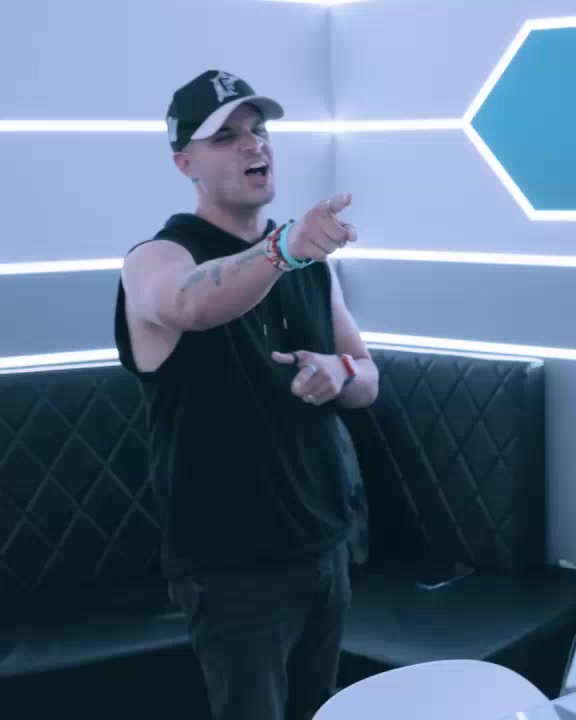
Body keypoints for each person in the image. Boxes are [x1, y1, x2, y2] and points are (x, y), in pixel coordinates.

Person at [113, 70, 380, 720]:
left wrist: (338, 371)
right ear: (185, 163)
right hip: (232, 568)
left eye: (258, 129)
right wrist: (282, 248)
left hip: (324, 546)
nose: (252, 144)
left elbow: (367, 377)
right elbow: (189, 305)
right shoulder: (156, 258)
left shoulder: (310, 263)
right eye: (225, 136)